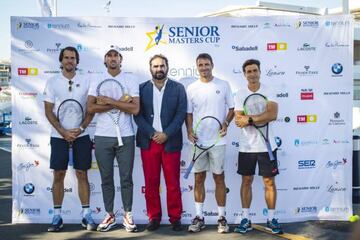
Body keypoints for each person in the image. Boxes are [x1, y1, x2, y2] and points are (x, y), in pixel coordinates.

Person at [87, 45, 139, 232]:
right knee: (106, 178)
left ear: (120, 59)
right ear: (105, 60)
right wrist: (120, 103)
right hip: (102, 137)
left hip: (126, 136)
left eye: (116, 55)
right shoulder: (96, 78)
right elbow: (91, 108)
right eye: (109, 55)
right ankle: (109, 214)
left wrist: (107, 101)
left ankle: (128, 214)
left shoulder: (130, 79)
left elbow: (135, 108)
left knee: (126, 178)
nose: (112, 58)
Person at [43, 46, 96, 232]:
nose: (69, 61)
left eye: (73, 58)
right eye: (66, 58)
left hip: (82, 135)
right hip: (58, 135)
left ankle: (86, 214)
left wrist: (80, 129)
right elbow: (48, 111)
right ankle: (57, 216)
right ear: (61, 60)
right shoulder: (52, 82)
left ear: (77, 61)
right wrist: (63, 131)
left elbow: (91, 110)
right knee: (59, 174)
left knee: (82, 174)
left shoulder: (86, 81)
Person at [134, 54, 186, 232]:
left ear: (167, 67)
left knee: (173, 182)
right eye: (155, 66)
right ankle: (154, 217)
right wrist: (151, 133)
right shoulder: (140, 89)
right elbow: (137, 114)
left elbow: (181, 114)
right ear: (150, 69)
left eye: (162, 66)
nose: (159, 69)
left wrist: (166, 134)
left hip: (170, 142)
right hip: (149, 142)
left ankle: (175, 217)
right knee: (151, 182)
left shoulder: (178, 88)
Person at [186, 53, 234, 233]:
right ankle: (199, 217)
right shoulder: (191, 88)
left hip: (218, 141)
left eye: (207, 64)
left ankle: (222, 218)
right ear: (197, 67)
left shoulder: (223, 85)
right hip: (198, 141)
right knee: (198, 178)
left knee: (219, 178)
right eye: (200, 65)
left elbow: (232, 109)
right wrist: (189, 130)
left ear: (212, 65)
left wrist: (226, 123)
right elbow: (188, 113)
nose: (204, 67)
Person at [233, 59, 283, 234]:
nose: (252, 74)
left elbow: (273, 114)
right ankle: (246, 218)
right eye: (249, 71)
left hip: (267, 145)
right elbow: (239, 120)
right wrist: (255, 118)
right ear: (244, 74)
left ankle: (271, 219)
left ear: (260, 72)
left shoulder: (269, 90)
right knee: (246, 181)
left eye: (255, 70)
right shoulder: (239, 94)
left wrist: (251, 119)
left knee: (269, 182)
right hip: (247, 147)